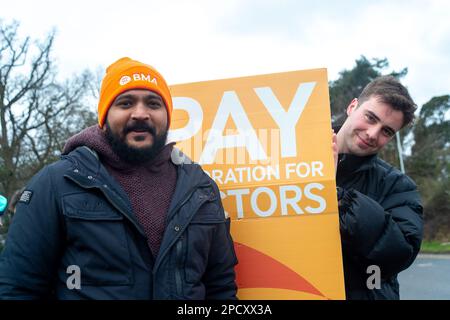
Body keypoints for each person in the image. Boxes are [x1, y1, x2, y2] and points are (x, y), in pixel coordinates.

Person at [0, 57, 238, 300]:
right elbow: (19, 288)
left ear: (167, 116)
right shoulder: (56, 183)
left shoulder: (200, 188)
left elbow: (221, 288)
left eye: (154, 104)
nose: (140, 113)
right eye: (125, 103)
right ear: (104, 117)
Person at [332, 76, 423, 300]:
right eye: (370, 118)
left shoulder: (398, 186)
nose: (373, 134)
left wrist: (339, 198)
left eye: (386, 131)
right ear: (353, 106)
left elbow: (400, 253)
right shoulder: (295, 158)